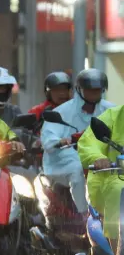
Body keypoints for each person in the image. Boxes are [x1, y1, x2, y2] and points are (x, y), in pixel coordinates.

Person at [42, 69, 113, 216]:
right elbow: (49, 137)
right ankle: (85, 214)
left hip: (104, 160)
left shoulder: (111, 110)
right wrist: (60, 141)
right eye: (90, 90)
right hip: (66, 160)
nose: (94, 93)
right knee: (77, 170)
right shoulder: (62, 111)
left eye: (98, 90)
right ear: (80, 90)